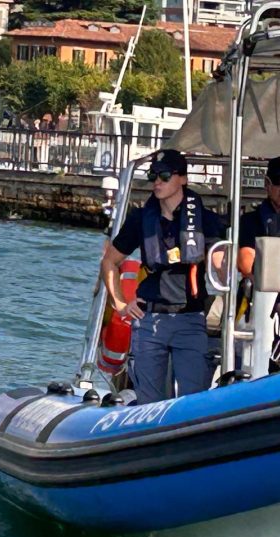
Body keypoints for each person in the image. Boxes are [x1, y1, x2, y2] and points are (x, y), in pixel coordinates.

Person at [101, 149, 225, 404]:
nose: (157, 181)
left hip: (190, 318)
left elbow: (222, 266)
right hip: (148, 318)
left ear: (183, 179)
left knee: (194, 400)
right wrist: (121, 304)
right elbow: (110, 262)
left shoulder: (206, 221)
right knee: (149, 401)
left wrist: (224, 265)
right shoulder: (140, 219)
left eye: (165, 175)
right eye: (153, 175)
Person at [237, 155, 280, 275]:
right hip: (263, 281)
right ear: (267, 184)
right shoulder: (249, 220)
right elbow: (246, 259)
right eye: (278, 181)